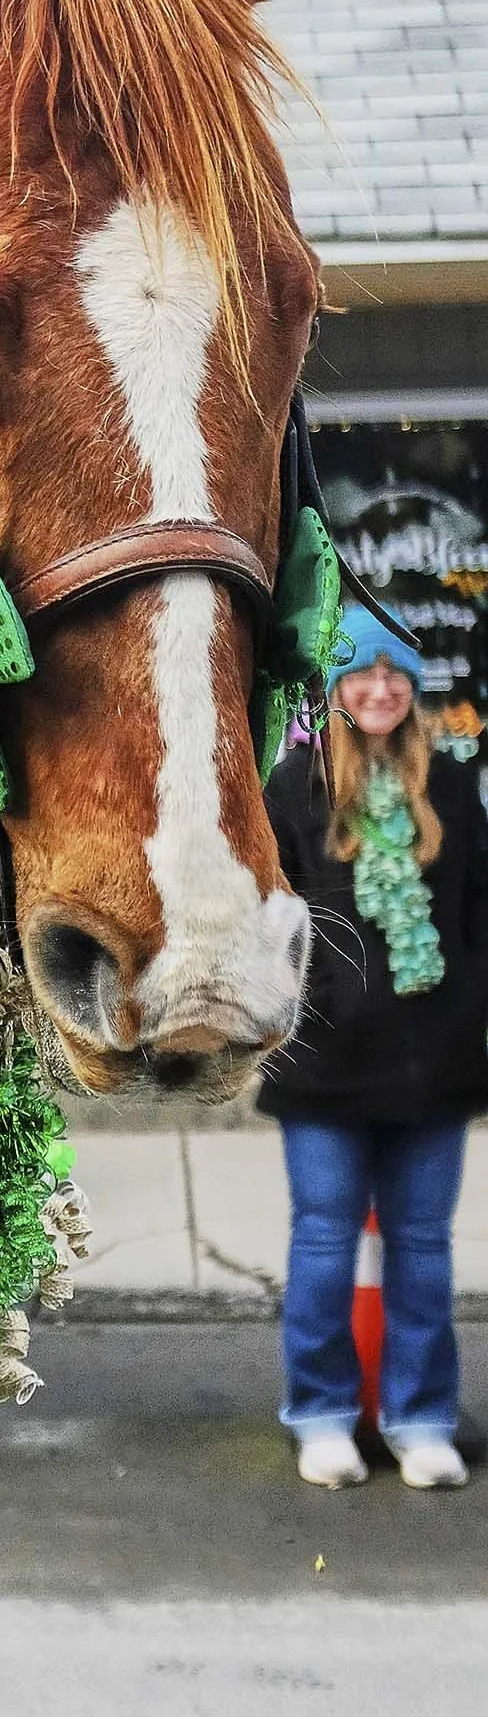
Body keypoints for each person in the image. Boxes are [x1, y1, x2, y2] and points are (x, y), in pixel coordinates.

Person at [260, 609, 488, 1491]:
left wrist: (471, 1006)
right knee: (323, 1242)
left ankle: (421, 1416)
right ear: (337, 691)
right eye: (363, 675)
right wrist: (303, 1009)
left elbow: (476, 917)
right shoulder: (296, 789)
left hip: (436, 1065)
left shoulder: (455, 790)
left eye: (396, 676)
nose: (382, 689)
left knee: (423, 1247)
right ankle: (320, 1413)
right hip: (326, 1065)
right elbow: (272, 919)